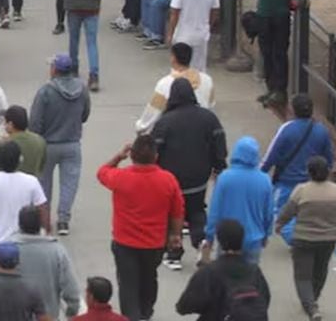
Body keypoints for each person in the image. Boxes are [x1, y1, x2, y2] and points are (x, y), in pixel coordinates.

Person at [96, 135, 184, 321]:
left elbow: (102, 171)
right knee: (149, 278)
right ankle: (145, 311)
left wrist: (119, 156)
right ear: (156, 156)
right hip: (154, 244)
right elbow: (177, 211)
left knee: (128, 283)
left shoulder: (120, 177)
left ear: (132, 155)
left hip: (125, 243)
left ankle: (132, 316)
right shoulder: (168, 180)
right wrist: (175, 235)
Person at [151, 78, 228, 270]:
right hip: (199, 177)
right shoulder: (208, 118)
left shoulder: (165, 122)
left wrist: (153, 173)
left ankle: (174, 254)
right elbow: (219, 144)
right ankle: (201, 241)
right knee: (196, 210)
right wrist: (218, 167)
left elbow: (153, 150)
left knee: (172, 214)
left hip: (171, 180)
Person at [276, 157, 336, 321]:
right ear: (328, 172)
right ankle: (312, 299)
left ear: (309, 172)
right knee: (320, 272)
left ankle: (311, 307)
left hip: (303, 239)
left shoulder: (301, 190)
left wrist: (279, 224)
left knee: (302, 276)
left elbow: (288, 211)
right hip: (328, 239)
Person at [261, 93, 334, 245]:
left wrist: (259, 173)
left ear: (293, 110)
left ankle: (299, 241)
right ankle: (308, 237)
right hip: (312, 182)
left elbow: (272, 155)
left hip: (287, 182)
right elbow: (328, 159)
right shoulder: (321, 130)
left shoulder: (286, 129)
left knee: (280, 214)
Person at [30, 54, 90, 236]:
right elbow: (85, 114)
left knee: (44, 183)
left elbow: (35, 122)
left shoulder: (45, 91)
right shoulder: (82, 89)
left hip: (48, 144)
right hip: (72, 143)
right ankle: (63, 220)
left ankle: (44, 220)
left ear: (55, 70)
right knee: (69, 183)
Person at [0, 140, 48, 272]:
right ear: (20, 160)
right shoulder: (31, 181)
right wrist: (46, 231)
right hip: (24, 242)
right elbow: (42, 208)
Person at [175, 219, 271, 321]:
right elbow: (266, 298)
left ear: (220, 241)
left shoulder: (209, 272)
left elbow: (184, 306)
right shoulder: (254, 270)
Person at [241, 0, 295, 107]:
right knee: (267, 54)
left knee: (279, 54)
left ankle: (280, 91)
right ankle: (271, 88)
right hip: (263, 14)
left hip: (280, 16)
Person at [203, 136, 274, 266]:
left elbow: (215, 210)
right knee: (249, 280)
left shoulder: (225, 178)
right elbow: (268, 212)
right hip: (254, 239)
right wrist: (267, 234)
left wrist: (210, 235)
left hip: (227, 239)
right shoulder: (264, 180)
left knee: (225, 278)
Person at [12, 205, 81, 319]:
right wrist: (72, 310)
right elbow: (70, 287)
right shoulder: (57, 250)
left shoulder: (8, 249)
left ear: (19, 224)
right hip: (48, 315)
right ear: (40, 225)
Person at [135, 43, 216, 134]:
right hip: (201, 130)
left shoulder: (165, 83)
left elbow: (153, 113)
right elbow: (211, 108)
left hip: (175, 132)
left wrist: (140, 127)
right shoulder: (207, 80)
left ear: (173, 58)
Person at [167, 0, 220, 72]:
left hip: (182, 35)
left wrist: (170, 34)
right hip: (201, 35)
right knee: (199, 70)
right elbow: (215, 12)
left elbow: (174, 13)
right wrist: (208, 26)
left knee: (180, 69)